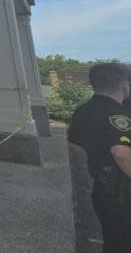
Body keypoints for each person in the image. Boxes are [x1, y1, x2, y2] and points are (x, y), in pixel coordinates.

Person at [68, 63, 131, 252]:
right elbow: (121, 153)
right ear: (124, 85)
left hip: (102, 188)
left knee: (114, 242)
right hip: (122, 192)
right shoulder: (117, 114)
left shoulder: (82, 111)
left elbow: (73, 147)